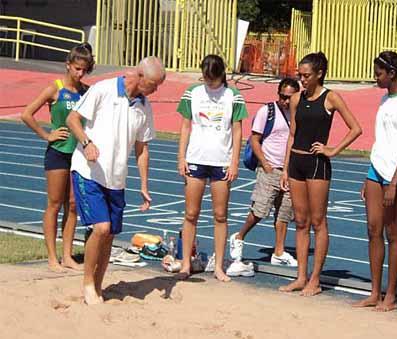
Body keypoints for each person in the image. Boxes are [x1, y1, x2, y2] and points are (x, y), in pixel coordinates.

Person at [66, 56, 166, 305]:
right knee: (100, 228)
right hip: (89, 171)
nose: (156, 90)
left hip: (116, 178)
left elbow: (142, 149)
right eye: (154, 84)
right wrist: (86, 143)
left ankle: (99, 285)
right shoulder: (104, 89)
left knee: (109, 234)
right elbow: (72, 119)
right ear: (140, 76)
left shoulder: (144, 106)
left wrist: (144, 185)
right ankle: (88, 284)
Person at [279, 52, 362, 296]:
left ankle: (316, 279)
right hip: (296, 162)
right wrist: (285, 168)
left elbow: (356, 128)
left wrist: (333, 149)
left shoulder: (331, 98)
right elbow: (292, 134)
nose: (302, 80)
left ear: (319, 74)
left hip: (317, 164)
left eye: (306, 76)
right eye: (300, 75)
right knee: (300, 221)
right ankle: (301, 277)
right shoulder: (295, 99)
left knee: (318, 221)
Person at [352, 51, 397, 311]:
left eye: (378, 73)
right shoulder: (384, 99)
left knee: (393, 232)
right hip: (375, 170)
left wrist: (394, 182)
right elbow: (382, 139)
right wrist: (370, 174)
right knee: (372, 229)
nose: (375, 78)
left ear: (392, 73)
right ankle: (374, 292)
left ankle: (390, 295)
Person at [21, 43, 94, 272]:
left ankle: (67, 256)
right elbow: (26, 114)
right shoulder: (55, 88)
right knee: (54, 204)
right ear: (68, 65)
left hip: (79, 155)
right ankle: (52, 257)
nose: (80, 73)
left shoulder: (87, 91)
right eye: (77, 68)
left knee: (72, 205)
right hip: (58, 153)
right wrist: (46, 134)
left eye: (84, 70)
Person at [176, 54, 248, 282]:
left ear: (221, 75)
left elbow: (237, 130)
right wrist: (181, 157)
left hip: (221, 161)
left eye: (212, 79)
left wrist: (234, 161)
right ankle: (186, 263)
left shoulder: (233, 96)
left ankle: (218, 266)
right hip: (196, 158)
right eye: (205, 78)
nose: (208, 83)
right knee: (191, 213)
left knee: (220, 214)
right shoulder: (192, 93)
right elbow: (186, 126)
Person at [229, 78, 300, 272]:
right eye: (282, 96)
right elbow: (254, 139)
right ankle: (239, 236)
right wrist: (266, 165)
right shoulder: (266, 112)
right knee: (260, 210)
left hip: (289, 170)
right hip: (269, 168)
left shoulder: (298, 113)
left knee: (284, 212)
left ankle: (279, 251)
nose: (285, 101)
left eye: (289, 97)